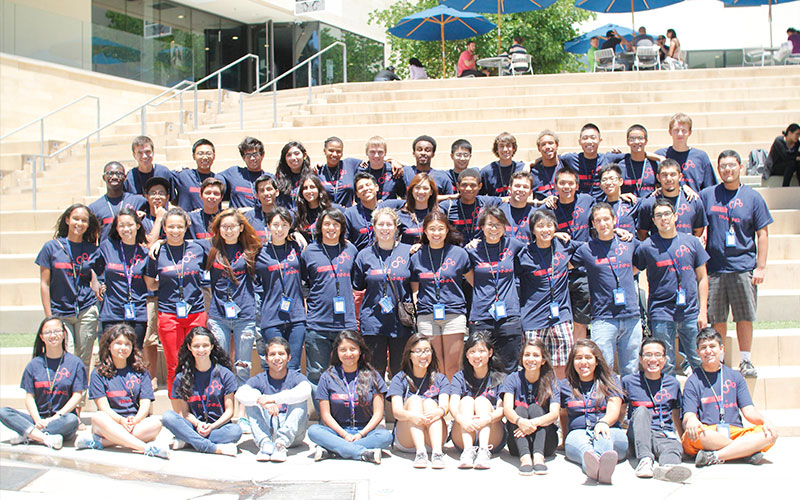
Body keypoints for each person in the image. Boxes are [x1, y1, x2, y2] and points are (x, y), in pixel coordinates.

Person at [700, 150, 773, 378]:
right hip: (715, 268)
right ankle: (720, 361)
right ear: (718, 169)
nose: (727, 170)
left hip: (743, 267)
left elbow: (762, 233)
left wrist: (760, 267)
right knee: (717, 318)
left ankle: (745, 360)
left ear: (740, 167)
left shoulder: (753, 197)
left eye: (732, 165)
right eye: (723, 166)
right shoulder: (708, 195)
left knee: (744, 316)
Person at [681, 328, 778, 467]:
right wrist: (691, 420)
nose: (708, 351)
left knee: (769, 433)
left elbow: (749, 411)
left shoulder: (735, 376)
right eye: (703, 347)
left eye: (712, 346)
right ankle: (745, 451)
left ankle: (715, 455)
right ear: (697, 352)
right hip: (709, 433)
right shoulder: (693, 380)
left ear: (721, 348)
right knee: (693, 434)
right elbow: (688, 415)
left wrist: (765, 421)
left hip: (734, 431)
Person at [635, 199, 708, 375]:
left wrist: (703, 311)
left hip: (690, 311)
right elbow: (630, 272)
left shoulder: (692, 242)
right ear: (653, 220)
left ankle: (702, 398)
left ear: (675, 216)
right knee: (664, 362)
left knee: (698, 359)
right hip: (661, 313)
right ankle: (670, 399)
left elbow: (703, 276)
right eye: (658, 215)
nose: (663, 219)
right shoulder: (647, 247)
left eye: (667, 214)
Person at [144, 207, 209, 397]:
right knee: (174, 363)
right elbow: (150, 283)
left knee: (198, 359)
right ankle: (177, 403)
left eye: (179, 226)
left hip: (195, 312)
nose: (175, 230)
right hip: (169, 314)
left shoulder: (197, 248)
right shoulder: (157, 252)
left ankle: (198, 399)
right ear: (164, 227)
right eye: (170, 226)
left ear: (186, 227)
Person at [571, 203, 642, 376]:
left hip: (631, 316)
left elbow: (640, 264)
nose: (603, 224)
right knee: (603, 368)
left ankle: (629, 402)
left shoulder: (629, 242)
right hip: (603, 318)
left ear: (614, 220)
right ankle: (607, 402)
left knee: (631, 369)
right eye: (598, 220)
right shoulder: (586, 250)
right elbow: (566, 262)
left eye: (606, 219)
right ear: (593, 224)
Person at [77, 324, 167, 458]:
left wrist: (136, 420)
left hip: (135, 423)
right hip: (110, 421)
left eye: (127, 344)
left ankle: (102, 442)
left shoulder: (141, 372)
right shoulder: (98, 374)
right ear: (109, 346)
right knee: (97, 418)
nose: (123, 348)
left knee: (155, 424)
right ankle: (145, 448)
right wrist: (120, 421)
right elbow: (103, 407)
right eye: (118, 343)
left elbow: (145, 404)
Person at [0, 316, 86, 449]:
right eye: (48, 332)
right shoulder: (34, 365)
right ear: (41, 337)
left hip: (62, 420)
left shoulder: (75, 363)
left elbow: (77, 395)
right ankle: (44, 438)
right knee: (4, 411)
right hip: (38, 419)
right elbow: (29, 396)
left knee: (72, 420)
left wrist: (56, 417)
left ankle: (29, 434)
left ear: (64, 334)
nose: (53, 335)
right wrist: (37, 419)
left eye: (57, 331)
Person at [308, 331, 392, 463]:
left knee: (385, 436)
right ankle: (362, 453)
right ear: (337, 352)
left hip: (365, 432)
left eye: (353, 349)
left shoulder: (373, 376)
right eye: (343, 350)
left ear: (360, 351)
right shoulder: (327, 377)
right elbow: (325, 415)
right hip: (337, 432)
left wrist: (361, 434)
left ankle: (334, 450)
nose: (348, 354)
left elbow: (378, 414)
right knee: (313, 431)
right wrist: (344, 434)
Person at [36, 203, 101, 372]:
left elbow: (97, 275)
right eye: (76, 219)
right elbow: (44, 283)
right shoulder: (51, 248)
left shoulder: (92, 249)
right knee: (67, 359)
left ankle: (81, 400)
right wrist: (50, 317)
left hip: (86, 310)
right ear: (67, 220)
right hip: (61, 312)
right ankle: (67, 399)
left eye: (84, 220)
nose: (79, 223)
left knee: (84, 361)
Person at [410, 211, 473, 378]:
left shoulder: (459, 254)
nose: (436, 233)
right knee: (434, 366)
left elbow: (473, 282)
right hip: (427, 316)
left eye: (440, 229)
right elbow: (415, 287)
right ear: (425, 231)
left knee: (453, 365)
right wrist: (418, 305)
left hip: (453, 314)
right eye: (432, 229)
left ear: (447, 231)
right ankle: (438, 399)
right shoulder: (417, 256)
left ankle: (452, 400)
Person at [518, 209, 579, 379]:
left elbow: (594, 246)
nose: (545, 230)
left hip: (561, 317)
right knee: (534, 365)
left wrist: (617, 231)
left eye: (549, 226)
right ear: (532, 230)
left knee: (563, 363)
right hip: (533, 319)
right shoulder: (524, 253)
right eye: (540, 226)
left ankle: (559, 398)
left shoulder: (564, 246)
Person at [352, 208, 413, 378]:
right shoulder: (364, 256)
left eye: (389, 224)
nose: (385, 228)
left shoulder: (409, 252)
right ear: (374, 227)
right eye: (381, 224)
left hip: (400, 323)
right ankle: (375, 405)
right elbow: (357, 289)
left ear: (396, 227)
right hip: (373, 322)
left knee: (400, 372)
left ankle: (396, 404)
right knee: (374, 371)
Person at [300, 208, 359, 385]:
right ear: (320, 227)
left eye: (336, 224)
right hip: (317, 323)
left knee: (348, 370)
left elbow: (356, 281)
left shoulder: (351, 250)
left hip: (345, 323)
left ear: (342, 228)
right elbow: (304, 284)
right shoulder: (310, 251)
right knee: (316, 373)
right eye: (327, 224)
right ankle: (322, 413)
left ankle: (346, 410)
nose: (331, 228)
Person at [161, 326, 241, 456]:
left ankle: (188, 440)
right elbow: (185, 413)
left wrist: (212, 426)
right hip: (193, 425)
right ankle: (211, 447)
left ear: (212, 347)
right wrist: (198, 424)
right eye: (196, 346)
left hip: (218, 427)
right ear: (189, 347)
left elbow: (230, 411)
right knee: (168, 417)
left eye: (205, 345)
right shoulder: (182, 377)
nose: (201, 350)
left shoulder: (225, 374)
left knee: (235, 431)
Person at [465, 206, 526, 373]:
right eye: (490, 224)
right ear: (482, 227)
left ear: (505, 227)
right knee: (481, 364)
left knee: (510, 365)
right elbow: (466, 273)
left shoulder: (513, 245)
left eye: (499, 225)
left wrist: (556, 235)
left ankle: (507, 398)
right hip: (481, 315)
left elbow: (537, 248)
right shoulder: (472, 250)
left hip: (509, 315)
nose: (494, 229)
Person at [622, 338, 692, 482]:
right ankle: (645, 460)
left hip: (663, 434)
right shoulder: (629, 381)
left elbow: (675, 413)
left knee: (673, 448)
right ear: (640, 359)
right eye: (648, 355)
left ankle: (667, 470)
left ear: (665, 359)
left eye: (658, 355)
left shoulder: (672, 383)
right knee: (642, 411)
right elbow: (621, 411)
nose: (653, 359)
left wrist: (681, 438)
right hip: (638, 436)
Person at [206, 208, 260, 388]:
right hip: (218, 315)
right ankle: (222, 401)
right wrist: (159, 243)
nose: (228, 230)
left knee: (243, 365)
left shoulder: (251, 249)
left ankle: (242, 409)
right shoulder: (210, 248)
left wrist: (295, 235)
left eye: (232, 227)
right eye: (224, 227)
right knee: (218, 362)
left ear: (241, 228)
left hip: (244, 314)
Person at [561, 339, 627, 484]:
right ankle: (598, 468)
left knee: (603, 438)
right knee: (585, 450)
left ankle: (597, 464)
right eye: (578, 358)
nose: (583, 362)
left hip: (610, 430)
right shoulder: (565, 386)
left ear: (596, 361)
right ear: (572, 362)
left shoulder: (611, 380)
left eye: (588, 357)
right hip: (579, 432)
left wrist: (603, 422)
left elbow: (614, 409)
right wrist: (565, 438)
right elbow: (563, 414)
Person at [236, 337, 311, 462]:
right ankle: (265, 444)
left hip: (292, 435)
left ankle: (280, 445)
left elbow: (306, 390)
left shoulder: (296, 377)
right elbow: (240, 394)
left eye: (281, 354)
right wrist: (260, 400)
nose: (277, 358)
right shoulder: (260, 378)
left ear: (289, 357)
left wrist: (272, 399)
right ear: (266, 359)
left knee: (300, 399)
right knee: (251, 397)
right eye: (272, 354)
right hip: (268, 430)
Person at [387, 334, 450, 468]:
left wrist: (437, 412)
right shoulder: (400, 379)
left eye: (427, 351)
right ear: (409, 355)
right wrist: (412, 416)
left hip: (434, 437)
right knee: (414, 400)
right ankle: (420, 453)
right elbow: (397, 412)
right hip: (408, 438)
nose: (423, 355)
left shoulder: (440, 378)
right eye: (418, 351)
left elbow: (445, 406)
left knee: (430, 403)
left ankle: (437, 453)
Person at [256, 208, 306, 372]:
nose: (279, 229)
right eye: (275, 224)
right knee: (275, 367)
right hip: (272, 318)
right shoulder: (260, 252)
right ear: (268, 225)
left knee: (293, 366)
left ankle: (293, 398)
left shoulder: (297, 247)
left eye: (284, 225)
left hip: (297, 317)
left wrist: (297, 235)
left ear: (290, 227)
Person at [92, 207, 149, 348]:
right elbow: (92, 267)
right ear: (116, 228)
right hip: (112, 312)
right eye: (121, 225)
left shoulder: (145, 253)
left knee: (134, 354)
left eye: (129, 224)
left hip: (138, 313)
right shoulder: (107, 247)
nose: (126, 229)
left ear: (137, 225)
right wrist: (96, 282)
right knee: (109, 355)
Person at [501, 339, 560, 475]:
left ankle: (539, 457)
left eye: (536, 355)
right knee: (519, 410)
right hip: (517, 442)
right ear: (522, 358)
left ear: (543, 360)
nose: (530, 359)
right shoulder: (513, 378)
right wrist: (521, 422)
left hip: (546, 442)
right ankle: (525, 458)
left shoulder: (551, 381)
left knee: (535, 408)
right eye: (527, 355)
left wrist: (531, 424)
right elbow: (507, 410)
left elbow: (554, 414)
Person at [449, 331, 506, 470]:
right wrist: (463, 421)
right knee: (467, 400)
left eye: (481, 351)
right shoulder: (459, 377)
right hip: (463, 432)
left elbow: (503, 410)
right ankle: (468, 452)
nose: (477, 356)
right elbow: (453, 406)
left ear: (490, 353)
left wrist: (487, 419)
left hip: (492, 433)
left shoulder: (501, 378)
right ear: (467, 355)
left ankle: (483, 452)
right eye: (472, 351)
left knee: (481, 401)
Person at [552, 166, 594, 341]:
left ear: (577, 186)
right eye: (562, 183)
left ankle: (578, 356)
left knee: (580, 321)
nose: (566, 187)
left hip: (582, 273)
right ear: (555, 186)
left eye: (570, 183)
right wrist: (554, 234)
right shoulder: (550, 208)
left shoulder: (587, 200)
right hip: (558, 274)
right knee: (556, 319)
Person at [636, 159, 707, 239]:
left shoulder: (693, 201)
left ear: (680, 177)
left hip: (685, 250)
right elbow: (642, 233)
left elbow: (698, 231)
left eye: (673, 174)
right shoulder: (649, 203)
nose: (669, 179)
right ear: (658, 177)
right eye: (664, 175)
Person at [655, 113, 717, 193]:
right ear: (670, 132)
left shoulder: (701, 157)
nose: (680, 134)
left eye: (684, 131)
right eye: (676, 130)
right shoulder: (660, 155)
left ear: (690, 133)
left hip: (693, 203)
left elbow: (710, 188)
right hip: (667, 203)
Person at [440, 168, 501, 244]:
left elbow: (508, 200)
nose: (468, 189)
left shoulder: (486, 202)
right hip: (456, 252)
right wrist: (450, 197)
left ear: (480, 186)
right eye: (464, 185)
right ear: (458, 186)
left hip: (479, 250)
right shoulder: (447, 206)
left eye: (473, 185)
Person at [88, 161, 146, 241]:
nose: (114, 177)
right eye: (110, 173)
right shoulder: (94, 207)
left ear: (125, 177)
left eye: (119, 173)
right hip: (107, 252)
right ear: (104, 177)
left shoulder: (139, 201)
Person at [560, 123, 614, 199]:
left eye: (593, 138)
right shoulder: (571, 159)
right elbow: (551, 158)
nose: (589, 141)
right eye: (585, 138)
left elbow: (629, 157)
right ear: (579, 141)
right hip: (580, 204)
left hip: (602, 204)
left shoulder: (608, 158)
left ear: (600, 140)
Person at [217, 136, 272, 209]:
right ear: (243, 157)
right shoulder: (234, 172)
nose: (252, 158)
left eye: (255, 154)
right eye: (248, 155)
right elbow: (218, 177)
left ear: (262, 155)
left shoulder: (269, 178)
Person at [387, 172, 440, 245]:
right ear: (411, 190)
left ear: (431, 192)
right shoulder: (400, 215)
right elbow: (392, 243)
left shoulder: (438, 214)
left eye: (425, 188)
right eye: (417, 188)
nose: (421, 192)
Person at [173, 139, 217, 212]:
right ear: (193, 156)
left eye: (208, 153)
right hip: (188, 222)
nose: (205, 157)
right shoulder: (184, 175)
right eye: (200, 154)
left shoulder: (218, 179)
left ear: (214, 156)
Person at [359, 136, 405, 201]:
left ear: (385, 153)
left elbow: (403, 196)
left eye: (380, 152)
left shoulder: (394, 171)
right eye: (372, 152)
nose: (376, 155)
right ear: (366, 152)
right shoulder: (360, 172)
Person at [480, 132, 526, 197]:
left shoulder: (522, 168)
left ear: (513, 148)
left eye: (508, 146)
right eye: (501, 146)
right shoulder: (487, 171)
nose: (505, 149)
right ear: (497, 150)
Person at [295, 174, 336, 243]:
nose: (309, 191)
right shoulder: (297, 212)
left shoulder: (332, 209)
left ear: (319, 189)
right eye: (305, 188)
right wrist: (294, 234)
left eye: (312, 187)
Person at [597, 164, 638, 235]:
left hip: (628, 243)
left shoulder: (632, 202)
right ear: (600, 185)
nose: (608, 183)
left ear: (621, 181)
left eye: (612, 179)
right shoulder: (598, 207)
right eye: (604, 180)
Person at [317, 137, 357, 207]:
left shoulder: (350, 164)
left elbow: (368, 163)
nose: (334, 154)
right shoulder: (318, 172)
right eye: (331, 150)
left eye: (338, 151)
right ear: (324, 151)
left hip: (347, 214)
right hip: (327, 215)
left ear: (342, 153)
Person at [345, 172, 379, 251]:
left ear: (376, 187)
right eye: (360, 187)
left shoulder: (386, 209)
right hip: (361, 258)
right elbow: (344, 240)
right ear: (357, 194)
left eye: (368, 185)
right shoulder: (350, 214)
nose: (365, 189)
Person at [501, 171, 538, 244]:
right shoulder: (499, 212)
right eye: (517, 186)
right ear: (510, 189)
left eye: (525, 187)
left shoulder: (536, 215)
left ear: (530, 192)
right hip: (504, 254)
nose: (521, 190)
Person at [275, 141, 312, 209]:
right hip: (286, 217)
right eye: (289, 155)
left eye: (296, 153)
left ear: (304, 155)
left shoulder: (312, 177)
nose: (293, 158)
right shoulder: (279, 178)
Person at [530, 130, 565, 200]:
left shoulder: (566, 165)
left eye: (551, 143)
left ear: (557, 145)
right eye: (543, 144)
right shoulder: (533, 172)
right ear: (538, 148)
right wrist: (542, 203)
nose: (547, 147)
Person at [141, 176, 170, 245]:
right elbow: (148, 245)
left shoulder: (173, 219)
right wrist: (159, 218)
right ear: (146, 197)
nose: (157, 197)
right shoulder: (142, 221)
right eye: (153, 193)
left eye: (161, 193)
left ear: (167, 197)